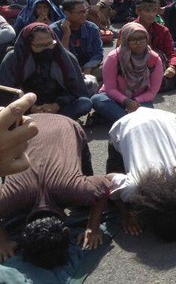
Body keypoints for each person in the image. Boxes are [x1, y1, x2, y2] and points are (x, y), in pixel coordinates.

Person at [0, 112, 111, 267]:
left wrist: (93, 228)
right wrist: (3, 241)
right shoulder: (14, 197)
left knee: (85, 197)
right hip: (29, 124)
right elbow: (105, 185)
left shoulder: (74, 190)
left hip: (53, 124)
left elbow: (105, 184)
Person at [107, 107, 176, 241]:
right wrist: (125, 213)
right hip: (127, 126)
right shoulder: (134, 187)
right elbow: (107, 179)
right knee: (118, 184)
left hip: (171, 120)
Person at [0, 23, 91, 119]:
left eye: (49, 44)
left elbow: (75, 90)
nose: (46, 49)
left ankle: (53, 120)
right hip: (24, 106)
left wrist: (56, 105)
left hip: (57, 107)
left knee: (84, 103)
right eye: (39, 46)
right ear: (28, 44)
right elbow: (6, 91)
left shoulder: (65, 58)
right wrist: (31, 107)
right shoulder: (14, 58)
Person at [91, 23, 163, 125]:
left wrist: (135, 101)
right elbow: (110, 88)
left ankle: (118, 120)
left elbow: (152, 91)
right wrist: (127, 102)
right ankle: (128, 121)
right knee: (97, 99)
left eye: (142, 38)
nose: (138, 42)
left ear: (147, 38)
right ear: (125, 40)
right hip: (115, 98)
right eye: (133, 39)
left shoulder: (154, 59)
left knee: (148, 114)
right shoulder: (114, 58)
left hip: (140, 100)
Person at [133, 0, 176, 92]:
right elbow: (120, 53)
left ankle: (154, 83)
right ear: (138, 11)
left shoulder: (163, 30)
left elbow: (171, 52)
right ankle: (161, 83)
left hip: (158, 65)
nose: (151, 15)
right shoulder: (129, 29)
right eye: (147, 11)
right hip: (136, 66)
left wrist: (172, 67)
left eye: (154, 11)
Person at [51, 0, 104, 81]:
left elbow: (98, 52)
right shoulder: (54, 30)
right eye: (80, 12)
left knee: (109, 69)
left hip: (88, 68)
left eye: (85, 11)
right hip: (65, 69)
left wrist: (88, 69)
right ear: (67, 13)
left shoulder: (92, 28)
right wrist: (66, 34)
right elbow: (60, 57)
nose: (84, 15)